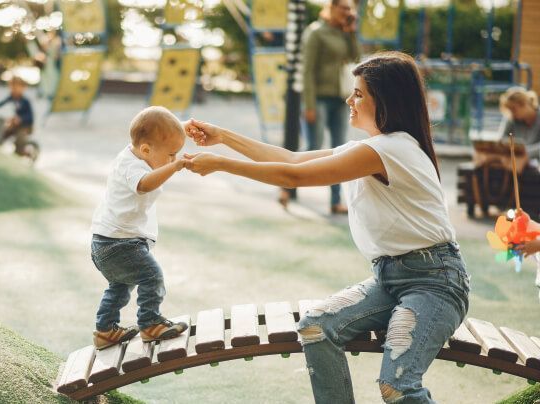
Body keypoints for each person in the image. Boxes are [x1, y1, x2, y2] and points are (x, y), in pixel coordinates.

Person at [183, 52, 469, 403]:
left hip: (434, 282)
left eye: (360, 93)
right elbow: (289, 159)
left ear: (387, 100)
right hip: (389, 278)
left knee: (397, 386)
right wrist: (223, 137)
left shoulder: (389, 150)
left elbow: (293, 176)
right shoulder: (368, 149)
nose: (350, 100)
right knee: (316, 328)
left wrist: (223, 164)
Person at [90, 106, 189, 350]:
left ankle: (105, 330)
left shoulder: (138, 153)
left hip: (106, 242)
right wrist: (175, 168)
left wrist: (178, 130)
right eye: (171, 154)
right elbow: (144, 185)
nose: (173, 160)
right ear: (145, 149)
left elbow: (157, 137)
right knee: (151, 276)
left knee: (120, 286)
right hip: (119, 244)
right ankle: (150, 323)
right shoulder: (131, 167)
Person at [295, 0, 360, 214]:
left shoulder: (343, 33)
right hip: (319, 98)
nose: (347, 12)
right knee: (314, 145)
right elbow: (307, 71)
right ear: (331, 7)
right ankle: (287, 183)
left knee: (340, 150)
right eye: (343, 8)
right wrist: (309, 104)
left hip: (341, 98)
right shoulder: (315, 32)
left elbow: (355, 58)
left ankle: (335, 201)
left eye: (349, 8)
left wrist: (351, 33)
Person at [0, 76, 35, 158]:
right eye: (12, 87)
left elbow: (30, 117)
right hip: (14, 124)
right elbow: (2, 103)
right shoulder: (11, 97)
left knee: (20, 140)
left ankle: (25, 153)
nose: (13, 89)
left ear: (23, 88)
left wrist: (21, 119)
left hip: (25, 126)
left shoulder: (25, 101)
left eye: (16, 87)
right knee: (1, 133)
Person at [499, 87, 540, 157]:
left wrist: (524, 152)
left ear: (524, 104)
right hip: (515, 160)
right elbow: (502, 139)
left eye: (513, 109)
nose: (511, 114)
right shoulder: (512, 118)